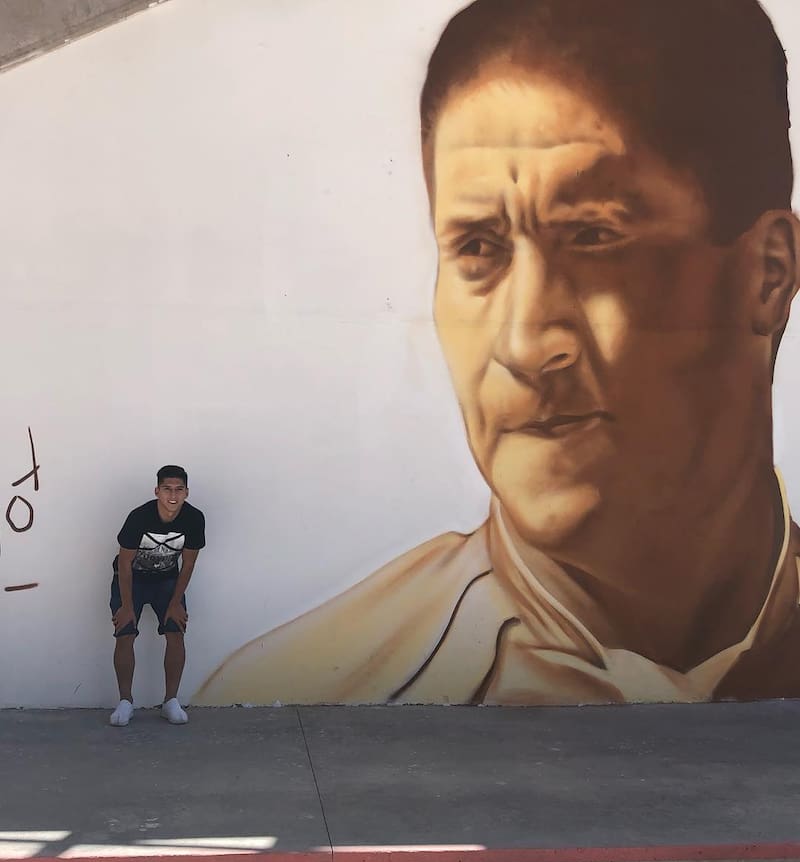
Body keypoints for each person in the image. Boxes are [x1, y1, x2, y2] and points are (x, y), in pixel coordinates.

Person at [196, 0, 800, 706]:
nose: (523, 343)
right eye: (478, 249)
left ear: (766, 274)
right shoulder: (300, 699)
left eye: (594, 239)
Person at [110, 465, 206, 725]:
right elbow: (125, 563)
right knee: (125, 630)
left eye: (178, 490)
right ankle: (125, 701)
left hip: (167, 579)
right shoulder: (139, 517)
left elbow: (188, 564)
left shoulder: (194, 518)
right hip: (132, 579)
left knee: (176, 630)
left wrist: (175, 603)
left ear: (186, 492)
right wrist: (127, 605)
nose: (172, 495)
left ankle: (170, 701)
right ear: (157, 491)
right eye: (166, 489)